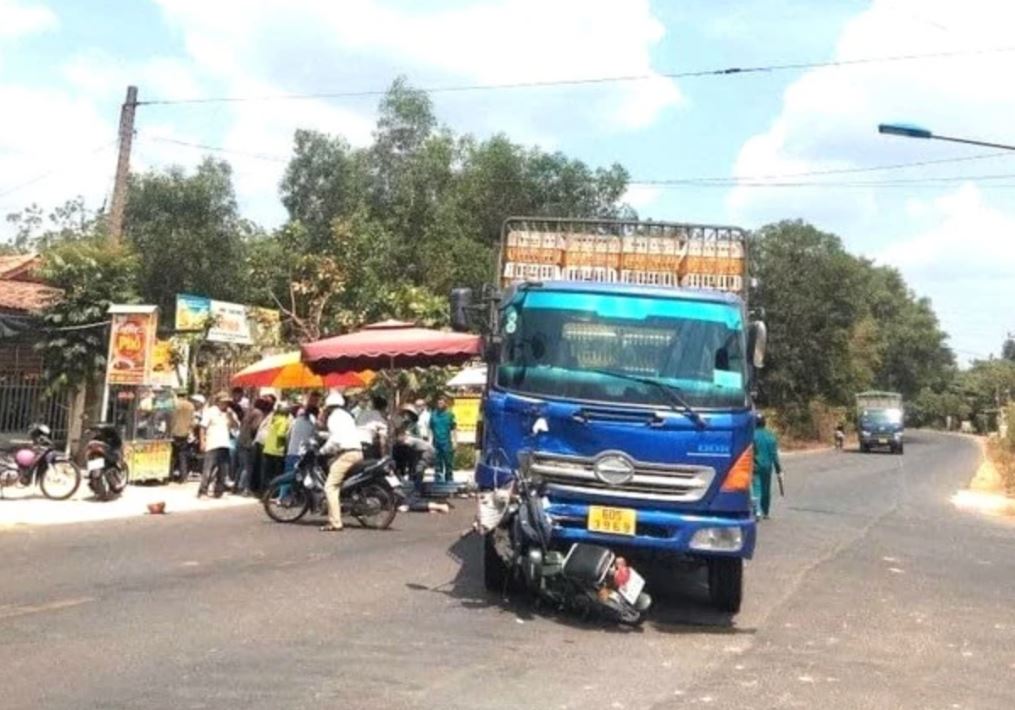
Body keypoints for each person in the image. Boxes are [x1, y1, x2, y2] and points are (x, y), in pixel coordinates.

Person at [320, 392, 363, 532]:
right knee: (332, 466)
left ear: (328, 406)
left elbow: (336, 440)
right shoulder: (346, 416)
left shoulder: (334, 418)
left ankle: (335, 522)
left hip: (347, 453)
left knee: (330, 487)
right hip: (357, 452)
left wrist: (323, 450)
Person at [199, 391, 240, 498]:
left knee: (223, 470)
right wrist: (202, 441)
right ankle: (203, 491)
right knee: (208, 469)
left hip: (224, 443)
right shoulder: (210, 411)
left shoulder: (230, 413)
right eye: (223, 402)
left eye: (227, 402)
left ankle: (219, 491)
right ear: (218, 402)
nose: (225, 404)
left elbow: (235, 426)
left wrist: (231, 416)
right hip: (212, 443)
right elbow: (203, 427)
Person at [752, 414, 782, 520]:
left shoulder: (751, 436)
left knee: (756, 487)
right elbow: (774, 455)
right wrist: (779, 470)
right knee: (766, 489)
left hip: (755, 466)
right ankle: (766, 512)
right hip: (767, 467)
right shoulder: (770, 436)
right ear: (765, 423)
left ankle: (757, 511)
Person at [235, 396, 267, 496]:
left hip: (241, 440)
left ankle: (236, 486)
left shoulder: (249, 411)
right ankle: (245, 488)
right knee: (247, 467)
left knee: (241, 466)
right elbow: (254, 427)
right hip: (248, 442)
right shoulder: (259, 413)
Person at [261, 403, 291, 487]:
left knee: (267, 472)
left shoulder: (275, 419)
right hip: (276, 450)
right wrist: (287, 438)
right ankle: (273, 491)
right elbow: (280, 434)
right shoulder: (284, 420)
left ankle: (264, 490)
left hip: (268, 448)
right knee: (275, 474)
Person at [429, 395, 457, 484]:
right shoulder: (433, 415)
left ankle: (449, 477)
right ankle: (438, 477)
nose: (439, 404)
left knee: (448, 461)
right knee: (437, 461)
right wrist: (429, 442)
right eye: (438, 403)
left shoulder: (450, 415)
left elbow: (454, 429)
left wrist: (455, 441)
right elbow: (430, 429)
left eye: (441, 403)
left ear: (445, 404)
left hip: (446, 442)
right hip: (436, 442)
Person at [170, 390, 195, 483]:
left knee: (172, 456)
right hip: (185, 433)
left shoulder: (174, 405)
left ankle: (170, 475)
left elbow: (170, 419)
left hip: (174, 433)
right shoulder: (191, 406)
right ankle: (183, 477)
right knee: (182, 456)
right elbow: (193, 422)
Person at [286, 405, 318, 473]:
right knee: (296, 478)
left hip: (291, 452)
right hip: (302, 456)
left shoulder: (296, 420)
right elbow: (314, 441)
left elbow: (288, 435)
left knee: (286, 477)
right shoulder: (313, 424)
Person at [356, 394, 389, 459]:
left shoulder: (362, 414)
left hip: (353, 445)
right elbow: (383, 440)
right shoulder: (380, 420)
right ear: (384, 408)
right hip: (365, 445)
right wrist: (384, 457)